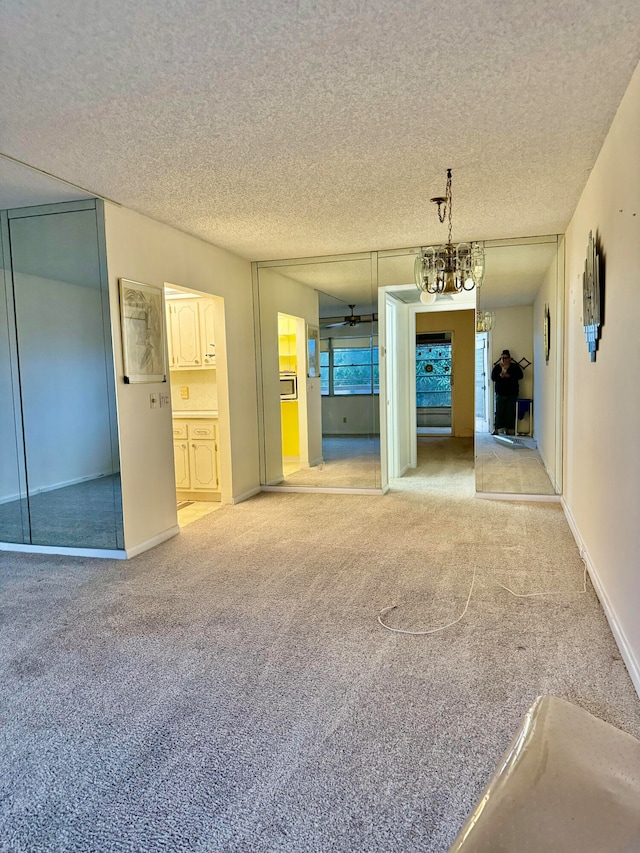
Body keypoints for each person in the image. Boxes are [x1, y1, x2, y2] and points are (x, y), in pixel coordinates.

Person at [491, 349, 524, 435]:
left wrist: (509, 376)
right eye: (502, 358)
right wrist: (500, 376)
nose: (504, 359)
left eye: (505, 358)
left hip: (512, 393)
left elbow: (521, 376)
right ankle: (496, 429)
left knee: (510, 412)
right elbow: (493, 378)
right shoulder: (497, 367)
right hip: (500, 393)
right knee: (499, 412)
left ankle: (507, 429)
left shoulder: (514, 367)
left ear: (510, 358)